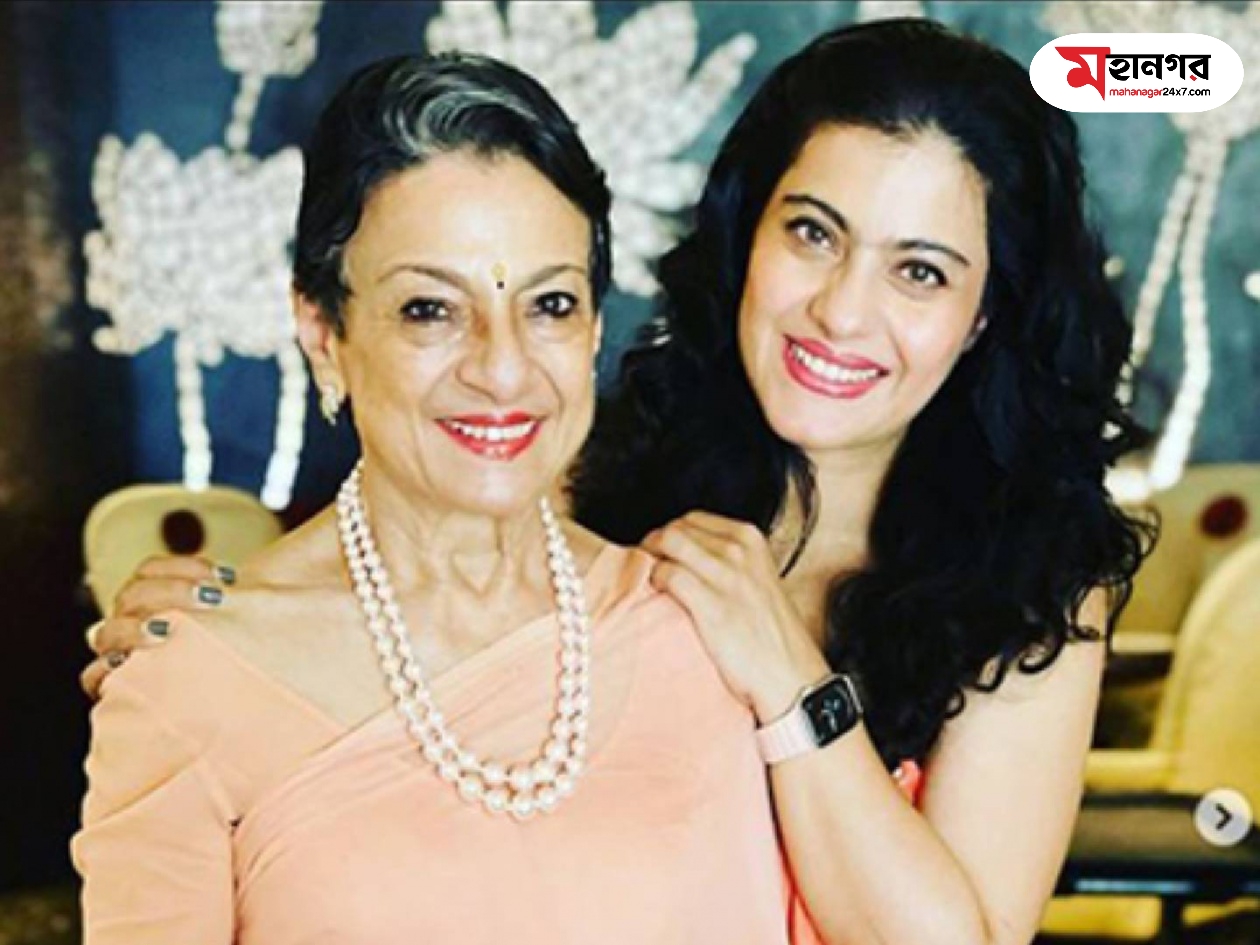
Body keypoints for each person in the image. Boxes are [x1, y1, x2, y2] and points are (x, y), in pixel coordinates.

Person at [83, 19, 1153, 945]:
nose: (841, 309)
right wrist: (219, 638)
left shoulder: (1037, 579)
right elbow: (408, 597)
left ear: (982, 314)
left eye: (919, 271)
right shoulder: (594, 475)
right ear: (747, 237)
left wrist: (789, 676)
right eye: (813, 234)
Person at [74, 52, 819, 944]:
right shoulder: (190, 679)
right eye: (430, 309)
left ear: (592, 328)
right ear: (323, 332)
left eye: (549, 304)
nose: (502, 367)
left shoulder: (698, 627)